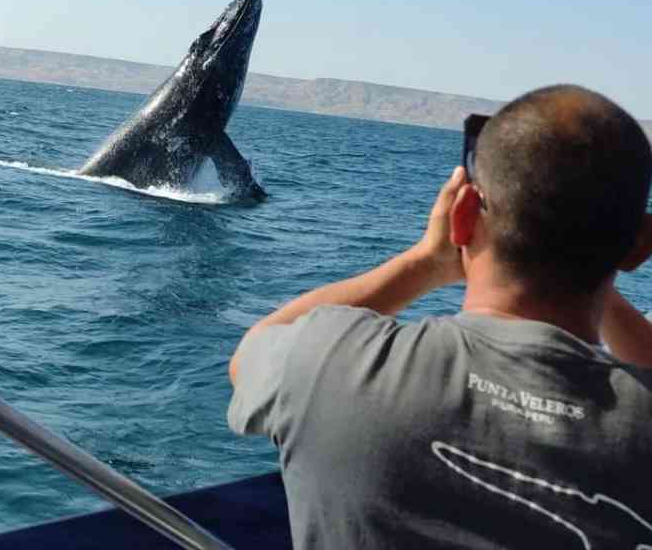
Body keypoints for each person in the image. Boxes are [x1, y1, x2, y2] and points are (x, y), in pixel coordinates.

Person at [228, 85, 652, 548]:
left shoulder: (329, 362)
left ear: (463, 212)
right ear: (640, 246)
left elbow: (252, 353)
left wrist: (426, 261)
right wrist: (594, 253)